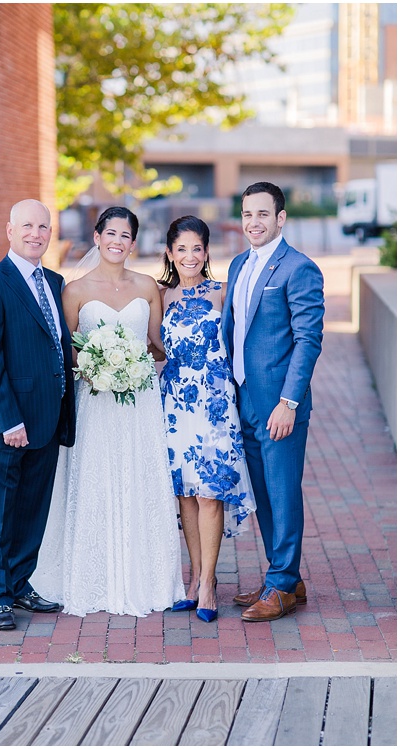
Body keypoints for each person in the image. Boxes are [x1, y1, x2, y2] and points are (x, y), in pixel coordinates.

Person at [32, 206, 184, 617]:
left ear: (134, 244)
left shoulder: (148, 286)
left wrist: (135, 363)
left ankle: (146, 577)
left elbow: (156, 346)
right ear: (97, 237)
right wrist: (98, 366)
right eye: (110, 233)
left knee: (141, 479)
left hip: (140, 401)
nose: (118, 242)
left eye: (126, 236)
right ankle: (92, 576)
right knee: (96, 480)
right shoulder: (74, 291)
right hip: (95, 402)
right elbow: (66, 352)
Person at [0, 199, 75, 632]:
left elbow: (57, 345)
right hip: (7, 424)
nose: (36, 233)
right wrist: (8, 420)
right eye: (27, 225)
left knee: (33, 508)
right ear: (9, 230)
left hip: (48, 418)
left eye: (43, 226)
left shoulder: (54, 279)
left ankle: (20, 582)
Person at [223, 182, 323, 622]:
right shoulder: (240, 263)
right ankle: (283, 576)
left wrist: (290, 402)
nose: (254, 223)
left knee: (282, 493)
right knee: (262, 493)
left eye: (262, 214)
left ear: (280, 218)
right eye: (247, 215)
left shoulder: (299, 268)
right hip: (243, 398)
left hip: (280, 404)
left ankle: (281, 586)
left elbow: (308, 341)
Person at [157, 215, 256, 623]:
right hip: (177, 405)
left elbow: (244, 340)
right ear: (169, 253)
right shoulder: (160, 297)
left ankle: (211, 583)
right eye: (181, 249)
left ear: (207, 251)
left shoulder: (223, 292)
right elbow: (153, 348)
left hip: (214, 405)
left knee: (209, 494)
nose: (190, 256)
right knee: (184, 496)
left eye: (197, 248)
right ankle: (194, 579)